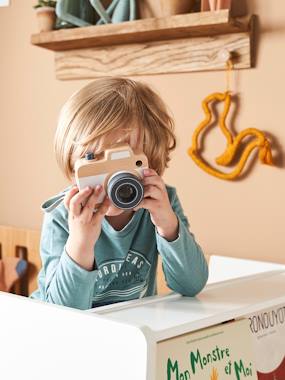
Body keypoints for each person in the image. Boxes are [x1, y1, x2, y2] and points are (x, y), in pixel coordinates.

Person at [30, 77, 208, 310]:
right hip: (60, 333)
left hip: (130, 331)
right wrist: (81, 242)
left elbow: (191, 285)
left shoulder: (160, 204)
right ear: (73, 167)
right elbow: (62, 314)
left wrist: (167, 224)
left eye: (124, 161)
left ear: (150, 163)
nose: (111, 180)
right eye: (93, 159)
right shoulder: (63, 216)